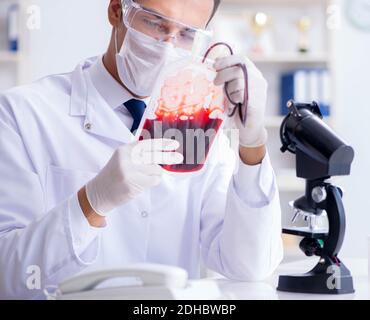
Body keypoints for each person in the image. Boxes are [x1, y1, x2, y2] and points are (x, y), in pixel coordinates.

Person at [0, 0, 283, 299]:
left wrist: (252, 144)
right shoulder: (22, 113)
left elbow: (250, 267)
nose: (168, 46)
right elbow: (7, 276)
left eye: (187, 34)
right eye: (155, 23)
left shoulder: (199, 125)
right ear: (116, 10)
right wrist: (91, 203)